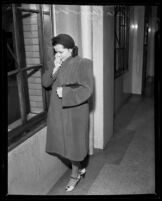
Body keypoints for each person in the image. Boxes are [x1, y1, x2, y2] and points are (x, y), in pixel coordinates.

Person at [42, 34, 94, 192]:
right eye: (55, 52)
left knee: (73, 146)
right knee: (60, 145)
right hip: (57, 112)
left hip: (75, 113)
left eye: (61, 52)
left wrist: (65, 92)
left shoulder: (83, 63)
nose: (57, 55)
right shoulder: (55, 62)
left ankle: (75, 174)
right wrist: (55, 68)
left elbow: (87, 89)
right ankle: (80, 166)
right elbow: (45, 83)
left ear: (71, 50)